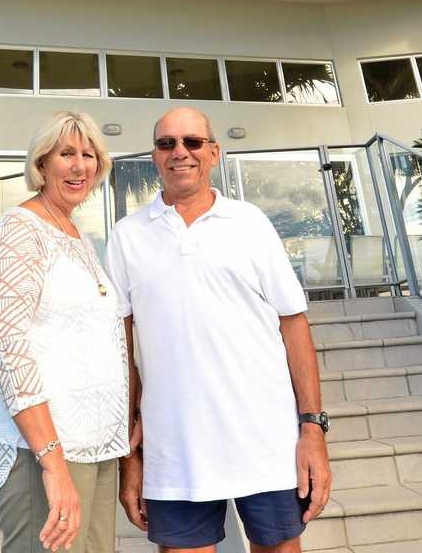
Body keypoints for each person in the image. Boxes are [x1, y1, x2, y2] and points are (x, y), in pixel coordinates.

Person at [106, 106, 332, 553]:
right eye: (167, 143)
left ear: (213, 152)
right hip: (173, 448)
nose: (180, 153)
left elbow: (294, 326)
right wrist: (130, 458)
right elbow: (120, 349)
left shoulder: (251, 224)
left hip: (266, 441)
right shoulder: (126, 236)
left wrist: (312, 430)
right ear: (154, 155)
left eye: (192, 142)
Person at [0, 111, 129, 553]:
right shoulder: (21, 228)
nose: (79, 165)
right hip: (44, 451)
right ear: (42, 164)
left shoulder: (78, 236)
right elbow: (8, 344)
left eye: (89, 155)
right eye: (67, 153)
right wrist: (52, 463)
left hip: (96, 446)